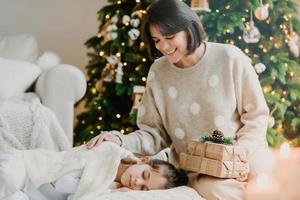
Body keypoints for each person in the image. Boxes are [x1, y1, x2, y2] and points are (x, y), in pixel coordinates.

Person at [86, 0, 275, 199]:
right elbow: (154, 133)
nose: (163, 47)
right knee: (218, 191)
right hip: (199, 168)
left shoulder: (230, 59)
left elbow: (256, 116)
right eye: (157, 40)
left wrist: (240, 155)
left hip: (245, 152)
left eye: (169, 37)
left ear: (189, 28)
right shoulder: (158, 72)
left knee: (264, 176)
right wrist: (119, 139)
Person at [0, 143, 188, 200]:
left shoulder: (111, 192)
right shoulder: (108, 155)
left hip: (32, 194)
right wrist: (108, 184)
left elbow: (73, 198)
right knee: (9, 176)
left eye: (144, 189)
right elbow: (61, 183)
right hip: (29, 168)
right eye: (144, 175)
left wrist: (112, 190)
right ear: (144, 160)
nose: (137, 183)